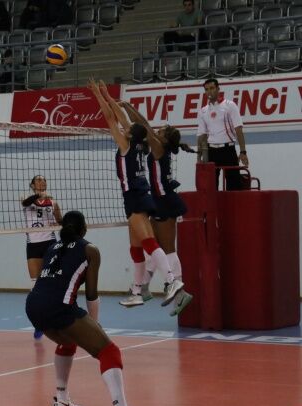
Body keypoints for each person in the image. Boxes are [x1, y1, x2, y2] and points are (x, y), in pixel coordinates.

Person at [25, 211, 154, 406]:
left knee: (68, 340)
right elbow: (91, 294)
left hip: (33, 306)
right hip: (59, 307)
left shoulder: (52, 248)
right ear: (84, 229)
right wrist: (94, 324)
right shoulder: (90, 249)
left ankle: (62, 400)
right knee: (109, 351)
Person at [88, 79, 184, 309]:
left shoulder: (126, 145)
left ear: (130, 135)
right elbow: (124, 119)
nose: (124, 128)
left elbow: (111, 119)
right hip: (139, 195)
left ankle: (171, 281)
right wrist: (108, 96)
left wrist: (98, 95)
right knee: (136, 247)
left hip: (135, 196)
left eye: (127, 129)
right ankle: (138, 292)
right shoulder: (143, 144)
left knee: (149, 242)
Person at [120, 102, 195, 316]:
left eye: (160, 131)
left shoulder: (159, 147)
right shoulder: (160, 146)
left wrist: (126, 107)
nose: (156, 131)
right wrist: (127, 109)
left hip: (164, 201)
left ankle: (179, 293)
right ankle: (144, 287)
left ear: (164, 139)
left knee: (167, 249)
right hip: (159, 200)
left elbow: (143, 124)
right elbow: (144, 126)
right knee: (155, 248)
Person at [22, 175, 63, 338]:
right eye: (38, 180)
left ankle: (56, 318)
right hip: (33, 245)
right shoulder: (26, 199)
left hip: (50, 243)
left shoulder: (53, 202)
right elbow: (26, 203)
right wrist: (39, 196)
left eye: (44, 180)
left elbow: (60, 221)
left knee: (52, 282)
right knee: (36, 286)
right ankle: (38, 324)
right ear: (32, 185)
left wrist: (57, 223)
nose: (42, 182)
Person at [197, 78, 249, 191]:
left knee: (234, 186)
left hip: (228, 150)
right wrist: (199, 156)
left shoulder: (229, 105)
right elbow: (202, 135)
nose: (209, 91)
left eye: (212, 88)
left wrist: (243, 152)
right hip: (211, 151)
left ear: (218, 89)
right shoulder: (203, 111)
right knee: (210, 187)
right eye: (207, 89)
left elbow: (238, 129)